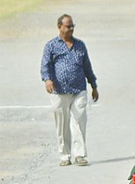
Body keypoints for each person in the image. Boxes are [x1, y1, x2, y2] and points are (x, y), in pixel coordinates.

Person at [40, 14, 99, 167]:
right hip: (59, 91)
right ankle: (65, 155)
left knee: (79, 121)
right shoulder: (51, 46)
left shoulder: (80, 45)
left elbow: (87, 66)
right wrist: (47, 80)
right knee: (62, 124)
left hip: (79, 89)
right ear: (59, 27)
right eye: (68, 26)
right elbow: (45, 65)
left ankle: (79, 155)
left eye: (73, 26)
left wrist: (93, 85)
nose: (71, 29)